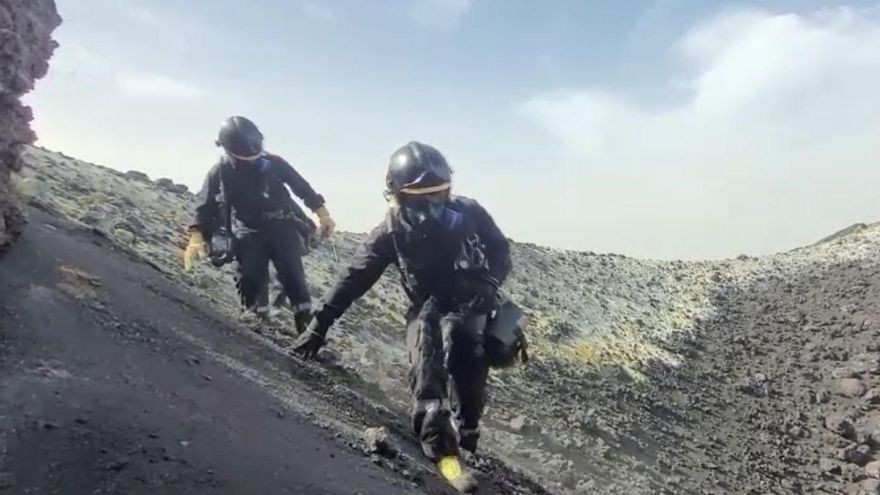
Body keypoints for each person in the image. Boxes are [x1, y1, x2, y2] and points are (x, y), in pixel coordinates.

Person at [292, 141, 511, 493]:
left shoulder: (470, 213)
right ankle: (445, 454)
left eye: (438, 195)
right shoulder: (389, 234)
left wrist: (489, 280)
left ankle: (468, 434)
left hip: (474, 303)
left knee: (468, 354)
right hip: (428, 309)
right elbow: (353, 279)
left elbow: (500, 251)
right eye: (419, 198)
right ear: (396, 196)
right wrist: (319, 326)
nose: (431, 207)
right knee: (428, 354)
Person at [183, 116, 335, 333]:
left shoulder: (274, 163)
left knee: (294, 277)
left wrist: (323, 215)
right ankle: (256, 323)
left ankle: (308, 332)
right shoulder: (221, 170)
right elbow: (204, 205)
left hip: (282, 226)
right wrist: (196, 238)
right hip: (248, 230)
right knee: (251, 276)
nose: (252, 157)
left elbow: (302, 188)